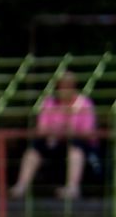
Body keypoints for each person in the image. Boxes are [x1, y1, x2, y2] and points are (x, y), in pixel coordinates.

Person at [10, 71, 95, 200]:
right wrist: (57, 129)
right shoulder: (49, 102)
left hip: (76, 143)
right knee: (34, 149)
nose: (64, 89)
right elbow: (41, 129)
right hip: (53, 141)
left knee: (76, 148)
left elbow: (88, 132)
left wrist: (67, 129)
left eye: (68, 85)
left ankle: (72, 188)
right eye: (61, 86)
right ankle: (21, 186)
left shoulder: (84, 103)